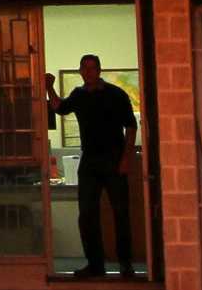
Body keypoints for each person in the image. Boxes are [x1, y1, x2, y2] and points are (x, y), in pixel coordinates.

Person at [51, 55, 139, 278]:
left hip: (114, 158)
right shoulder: (79, 95)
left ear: (99, 70)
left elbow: (131, 127)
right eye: (85, 68)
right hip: (90, 159)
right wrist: (49, 87)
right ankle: (95, 264)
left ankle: (126, 264)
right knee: (87, 214)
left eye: (92, 68)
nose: (88, 72)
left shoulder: (116, 94)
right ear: (80, 71)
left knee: (120, 212)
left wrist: (126, 158)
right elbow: (60, 107)